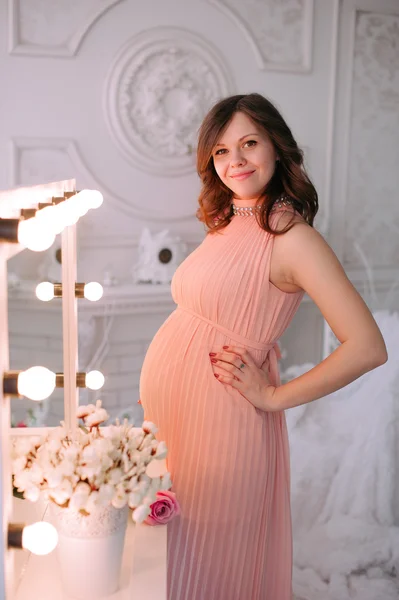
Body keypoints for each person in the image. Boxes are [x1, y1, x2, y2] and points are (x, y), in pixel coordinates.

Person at [139, 93, 387, 600]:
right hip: (176, 424)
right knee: (173, 559)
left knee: (214, 562)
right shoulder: (226, 221)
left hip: (224, 426)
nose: (236, 161)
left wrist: (274, 397)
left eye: (250, 143)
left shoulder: (294, 239)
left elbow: (367, 345)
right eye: (222, 151)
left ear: (277, 147)